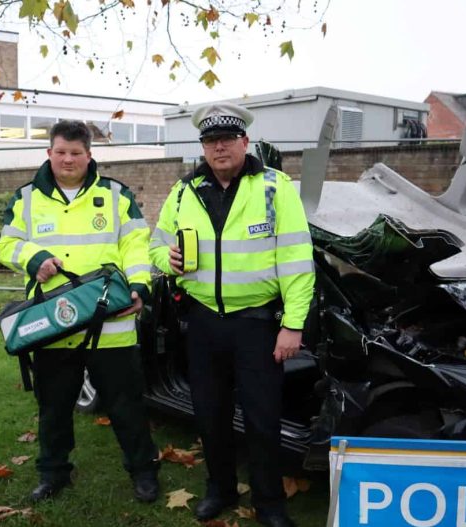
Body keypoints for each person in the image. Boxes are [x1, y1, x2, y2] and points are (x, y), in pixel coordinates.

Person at [149, 103, 314, 527]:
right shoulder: (183, 192)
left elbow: (297, 259)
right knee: (210, 415)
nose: (219, 147)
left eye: (227, 139)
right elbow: (156, 247)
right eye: (210, 140)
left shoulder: (276, 188)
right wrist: (168, 260)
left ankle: (269, 504)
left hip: (257, 325)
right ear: (203, 147)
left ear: (244, 141)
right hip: (203, 323)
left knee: (262, 420)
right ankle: (219, 489)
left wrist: (293, 324)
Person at [0, 120, 160, 503]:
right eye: (61, 152)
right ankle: (53, 474)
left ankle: (143, 471)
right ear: (49, 153)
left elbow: (136, 243)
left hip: (111, 323)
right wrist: (33, 257)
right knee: (53, 408)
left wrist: (139, 285)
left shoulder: (116, 195)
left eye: (76, 153)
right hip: (54, 325)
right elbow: (6, 244)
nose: (68, 159)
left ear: (89, 155)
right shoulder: (26, 198)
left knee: (127, 406)